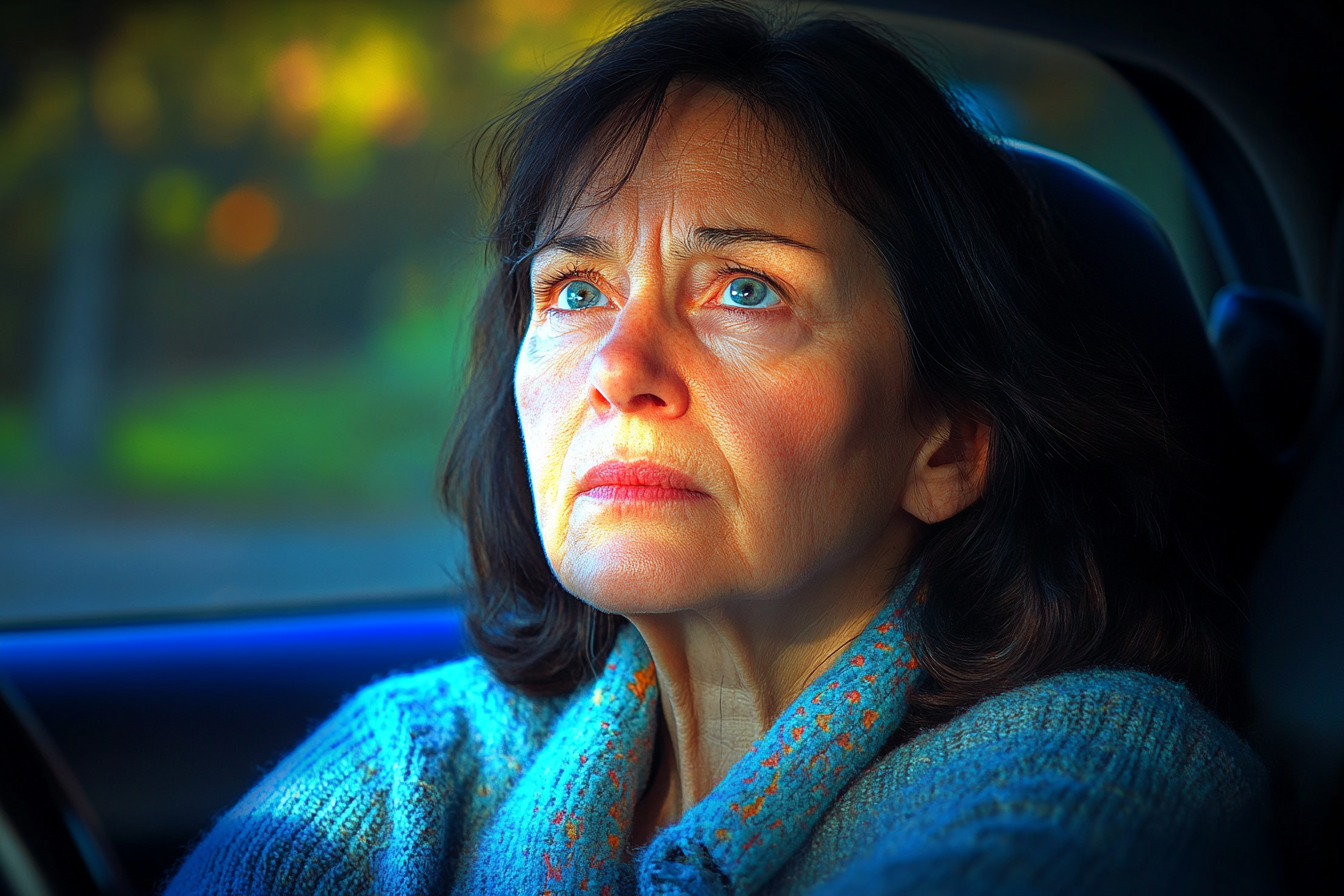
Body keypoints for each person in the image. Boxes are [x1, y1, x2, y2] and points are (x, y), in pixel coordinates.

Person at [164, 3, 1274, 894]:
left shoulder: (1102, 765)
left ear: (948, 444)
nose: (618, 363)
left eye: (746, 290)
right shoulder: (416, 758)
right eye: (577, 289)